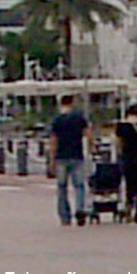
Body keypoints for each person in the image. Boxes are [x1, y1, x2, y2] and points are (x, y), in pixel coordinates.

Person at [46, 95, 90, 226]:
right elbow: (89, 134)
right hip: (77, 155)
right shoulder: (79, 118)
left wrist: (51, 160)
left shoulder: (57, 120)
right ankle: (80, 209)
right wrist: (92, 147)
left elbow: (53, 141)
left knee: (61, 187)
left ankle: (64, 215)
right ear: (72, 103)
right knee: (79, 185)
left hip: (61, 157)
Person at [112, 106, 137, 225]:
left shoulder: (121, 126)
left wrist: (119, 154)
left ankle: (128, 208)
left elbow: (117, 142)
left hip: (127, 158)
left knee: (130, 185)